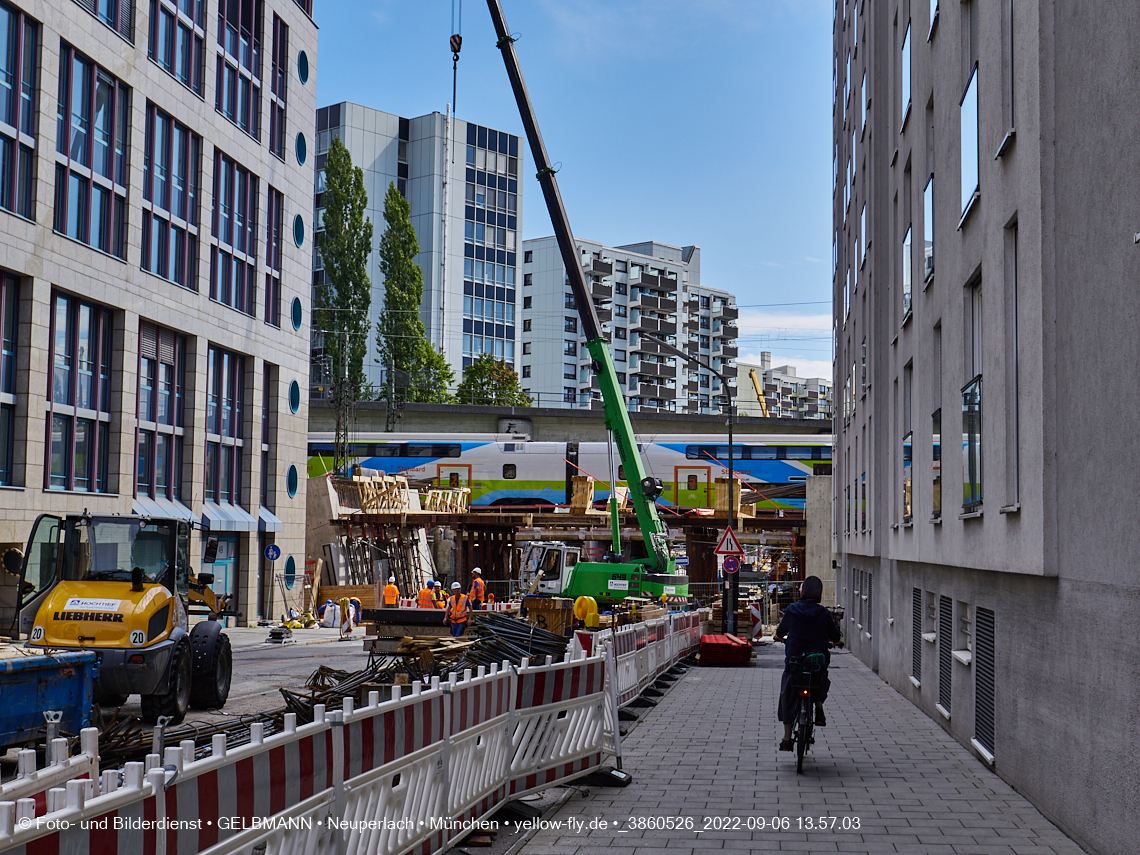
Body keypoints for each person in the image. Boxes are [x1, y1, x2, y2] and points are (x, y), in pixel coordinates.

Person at [773, 575, 840, 751]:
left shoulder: (791, 610)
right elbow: (835, 636)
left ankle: (787, 738)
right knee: (820, 678)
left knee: (788, 692)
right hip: (816, 660)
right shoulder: (824, 613)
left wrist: (779, 637)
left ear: (802, 591)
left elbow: (781, 631)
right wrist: (837, 642)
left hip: (795, 660)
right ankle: (818, 706)